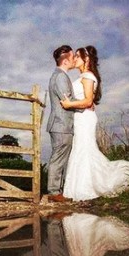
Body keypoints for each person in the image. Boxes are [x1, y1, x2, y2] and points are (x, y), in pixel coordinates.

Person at [60, 46, 129, 201]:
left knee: (84, 149)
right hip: (80, 117)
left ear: (86, 59)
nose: (74, 59)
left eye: (77, 56)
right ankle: (78, 189)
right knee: (81, 148)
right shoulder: (84, 76)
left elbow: (88, 101)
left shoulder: (88, 76)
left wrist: (69, 105)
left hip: (85, 118)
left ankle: (87, 188)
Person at [46, 45, 78, 203]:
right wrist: (87, 104)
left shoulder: (59, 75)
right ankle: (53, 192)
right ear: (65, 60)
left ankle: (57, 190)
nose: (74, 61)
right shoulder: (60, 77)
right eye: (72, 58)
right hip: (61, 124)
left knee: (60, 158)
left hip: (61, 125)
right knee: (58, 158)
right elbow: (68, 101)